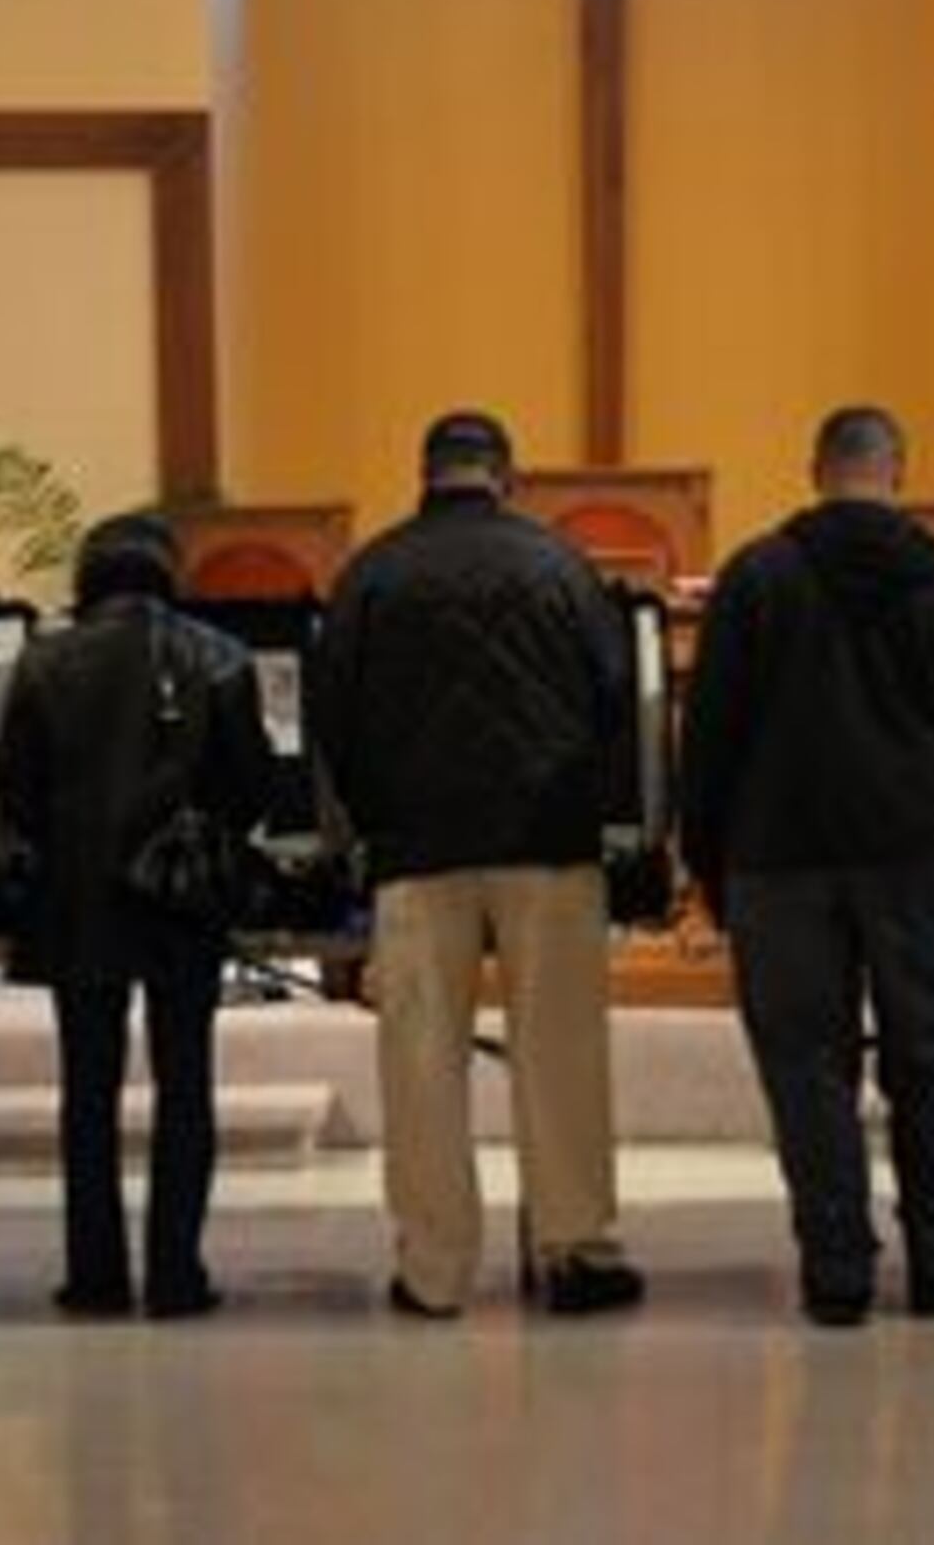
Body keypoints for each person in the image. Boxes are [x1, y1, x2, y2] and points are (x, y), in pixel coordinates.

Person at [684, 404, 934, 1328]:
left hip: (781, 856)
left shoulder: (756, 580)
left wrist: (707, 855)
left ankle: (838, 1270)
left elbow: (709, 733)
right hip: (917, 848)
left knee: (806, 1064)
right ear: (896, 472)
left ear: (814, 468)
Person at [313, 410, 645, 1320]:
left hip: (418, 852)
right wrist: (592, 812)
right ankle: (576, 1248)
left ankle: (434, 1269)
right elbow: (617, 696)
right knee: (561, 1050)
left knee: (421, 1061)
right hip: (548, 845)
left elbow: (331, 718)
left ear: (424, 475)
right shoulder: (558, 566)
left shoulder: (371, 571)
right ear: (508, 475)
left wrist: (377, 820)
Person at [0, 511, 274, 1319]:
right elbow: (252, 788)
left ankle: (96, 1275)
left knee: (89, 1091)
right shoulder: (220, 657)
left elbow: (16, 792)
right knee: (185, 1085)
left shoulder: (46, 661)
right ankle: (177, 1274)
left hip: (78, 901)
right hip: (181, 900)